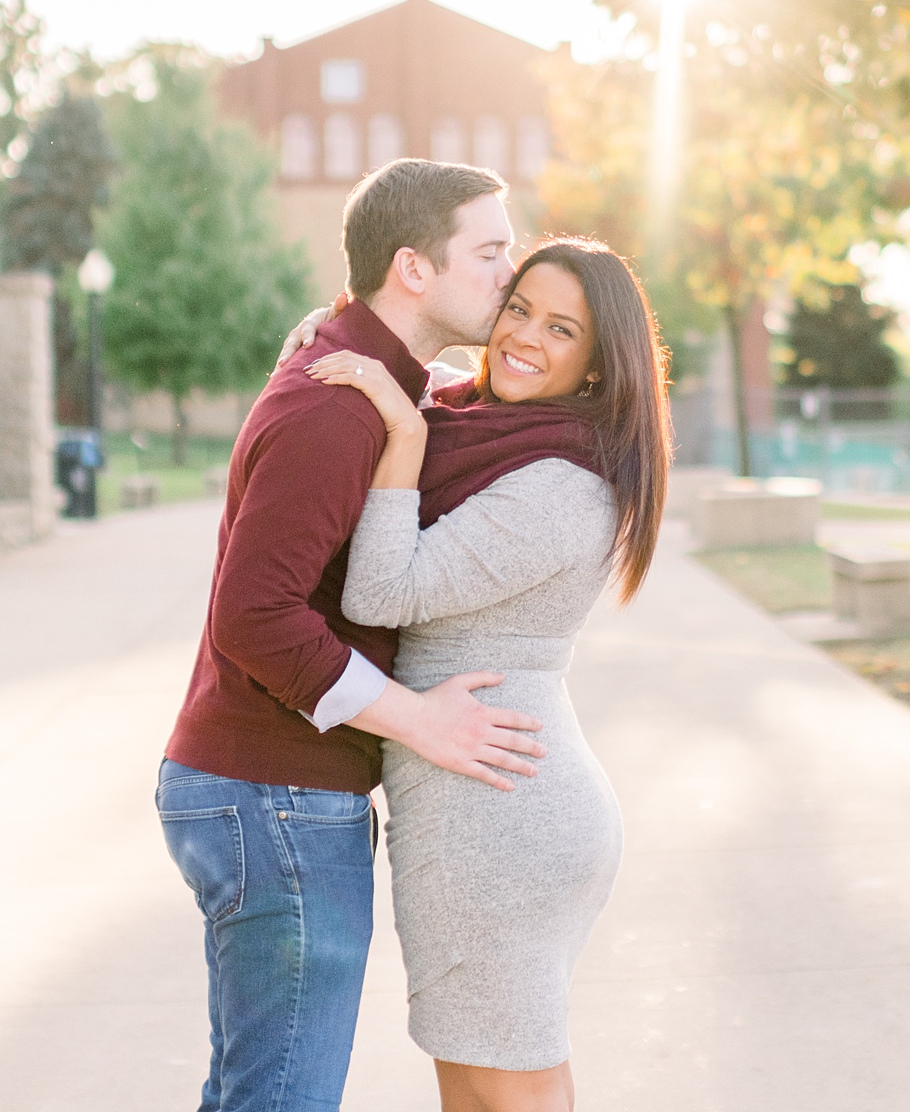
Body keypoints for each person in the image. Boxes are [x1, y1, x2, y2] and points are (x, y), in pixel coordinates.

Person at [158, 158, 552, 1112]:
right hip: (276, 798)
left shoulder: (366, 378)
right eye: (490, 252)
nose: (511, 274)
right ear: (414, 268)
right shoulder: (335, 405)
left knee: (254, 1093)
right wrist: (418, 720)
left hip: (274, 795)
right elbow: (253, 616)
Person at [305, 237, 670, 1112]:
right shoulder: (484, 427)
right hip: (467, 805)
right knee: (472, 1083)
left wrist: (400, 428)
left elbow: (384, 588)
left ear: (595, 365)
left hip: (504, 817)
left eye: (561, 328)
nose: (524, 337)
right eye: (518, 309)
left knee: (515, 1086)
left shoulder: (559, 484)